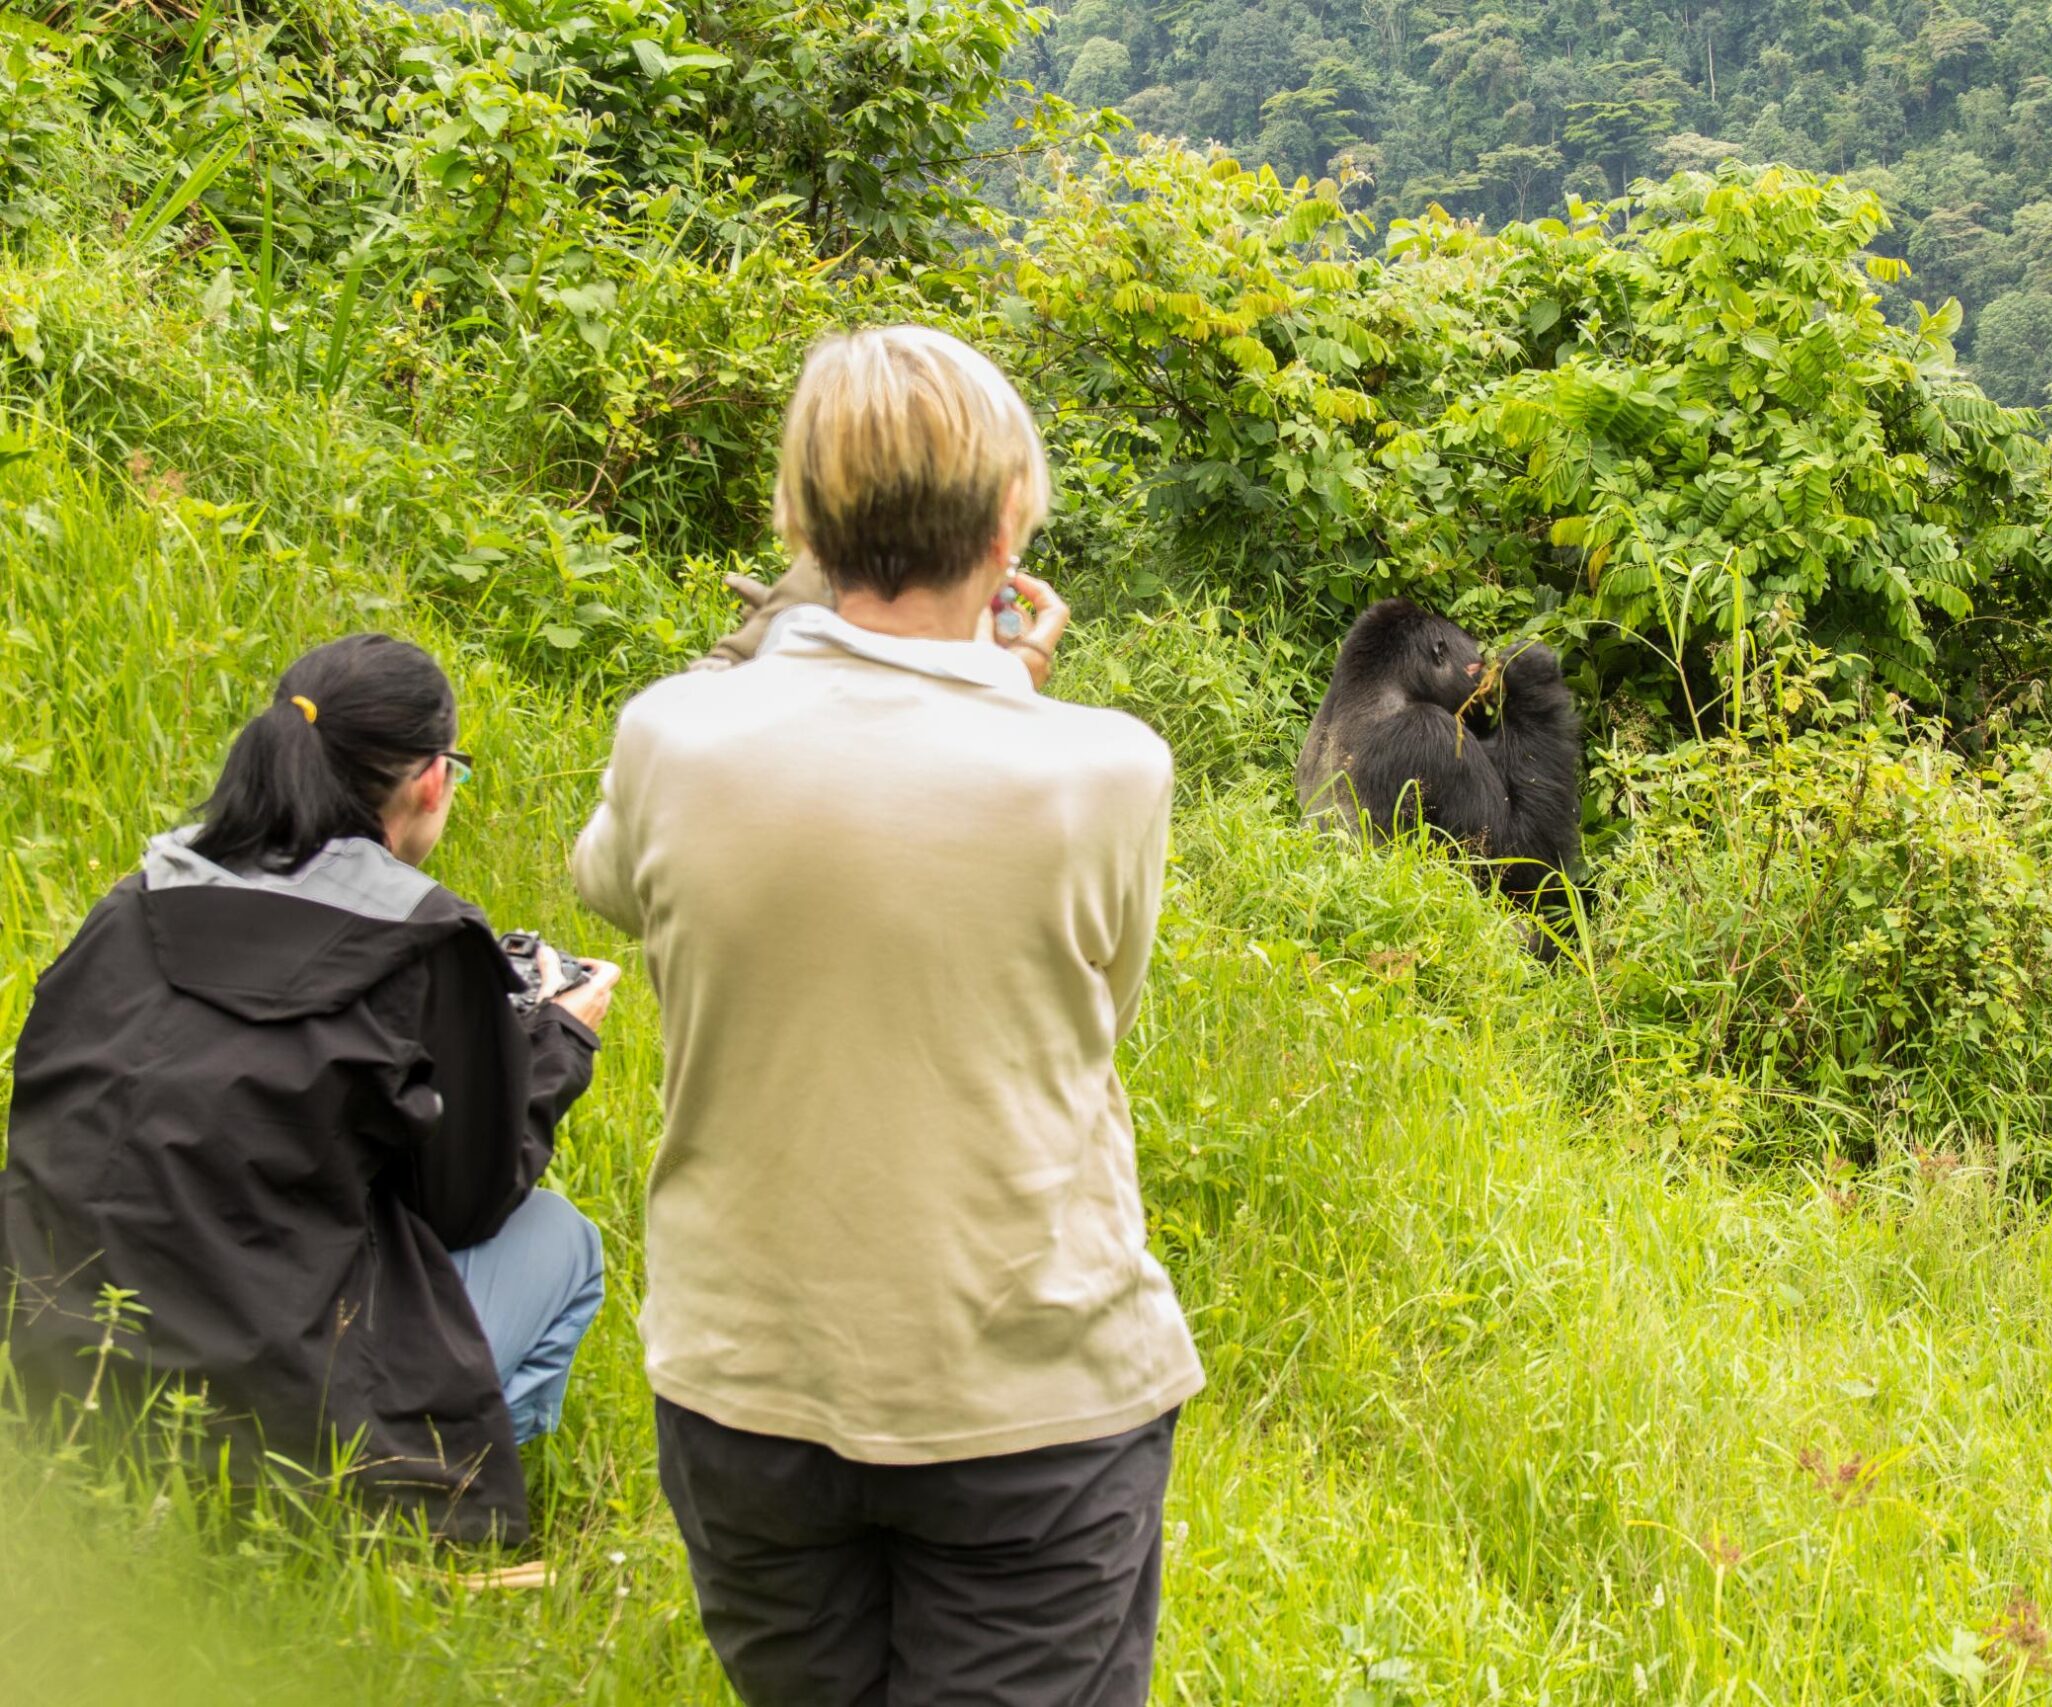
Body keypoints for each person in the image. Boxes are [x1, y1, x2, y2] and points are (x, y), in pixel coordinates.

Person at [574, 325, 1200, 1706]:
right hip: (1028, 1395)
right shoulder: (1106, 769)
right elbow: (1092, 1000)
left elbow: (608, 877)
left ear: (798, 524)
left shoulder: (673, 733)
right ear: (1009, 523)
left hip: (748, 1383)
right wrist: (1006, 689)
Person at [0, 634, 620, 1548]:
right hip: (277, 1413)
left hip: (54, 1372)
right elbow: (466, 1202)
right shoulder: (429, 939)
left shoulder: (133, 901)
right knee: (560, 1242)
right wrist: (561, 1036)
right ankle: (402, 1516)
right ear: (431, 781)